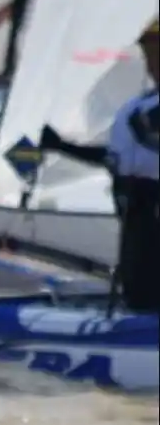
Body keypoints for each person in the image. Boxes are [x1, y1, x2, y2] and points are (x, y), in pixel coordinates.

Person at [38, 17, 159, 315]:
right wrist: (62, 146)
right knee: (139, 293)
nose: (151, 62)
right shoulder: (138, 106)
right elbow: (112, 159)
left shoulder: (144, 112)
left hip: (151, 211)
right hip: (136, 215)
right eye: (148, 52)